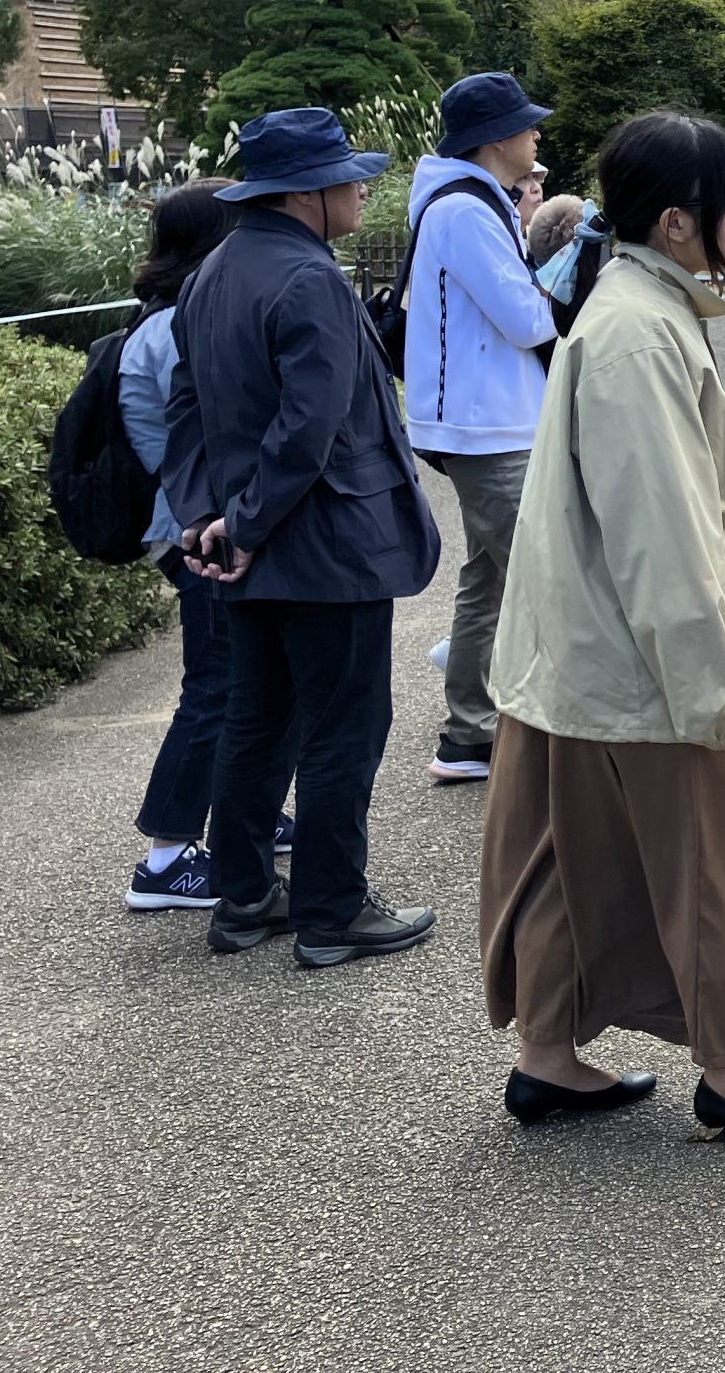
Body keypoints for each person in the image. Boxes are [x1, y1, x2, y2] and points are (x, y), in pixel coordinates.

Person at [481, 110, 725, 1145]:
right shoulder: (642, 330)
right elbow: (666, 537)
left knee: (566, 855)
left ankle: (548, 1055)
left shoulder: (625, 308)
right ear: (681, 221)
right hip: (638, 663)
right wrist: (709, 694)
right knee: (717, 861)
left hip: (568, 653)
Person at [162, 108, 442, 967]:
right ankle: (332, 910)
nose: (362, 186)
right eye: (349, 175)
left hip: (249, 544)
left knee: (259, 721)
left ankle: (243, 896)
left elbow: (185, 409)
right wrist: (240, 522)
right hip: (328, 546)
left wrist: (209, 519)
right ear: (306, 193)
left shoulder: (211, 272)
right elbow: (309, 427)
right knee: (342, 729)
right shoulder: (309, 278)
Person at [115, 180, 292, 909]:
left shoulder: (162, 316)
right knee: (216, 687)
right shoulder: (180, 323)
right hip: (196, 531)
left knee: (235, 682)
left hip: (184, 526)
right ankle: (163, 860)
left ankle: (231, 818)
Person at [404, 72, 560, 785]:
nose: (536, 136)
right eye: (527, 127)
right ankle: (521, 728)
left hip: (479, 419)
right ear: (496, 140)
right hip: (489, 423)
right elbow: (527, 317)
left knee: (491, 578)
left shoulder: (462, 199)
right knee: (541, 574)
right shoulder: (464, 210)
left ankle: (470, 731)